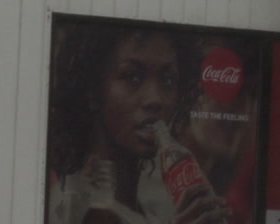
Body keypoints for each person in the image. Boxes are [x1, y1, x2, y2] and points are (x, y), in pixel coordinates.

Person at [46, 24, 230, 224]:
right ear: (93, 89)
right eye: (133, 77)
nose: (155, 99)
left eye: (168, 80)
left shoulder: (152, 212)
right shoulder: (70, 208)